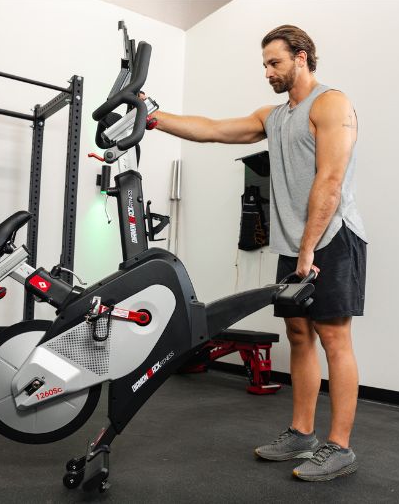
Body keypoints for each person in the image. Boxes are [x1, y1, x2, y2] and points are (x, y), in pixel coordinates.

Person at [144, 24, 367, 482]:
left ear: (302, 57)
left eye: (275, 62)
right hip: (296, 245)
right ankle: (302, 433)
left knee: (334, 339)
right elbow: (212, 130)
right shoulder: (275, 115)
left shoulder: (331, 104)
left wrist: (307, 249)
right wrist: (154, 117)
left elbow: (330, 181)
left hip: (333, 239)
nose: (267, 71)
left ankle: (340, 446)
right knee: (299, 337)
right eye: (264, 64)